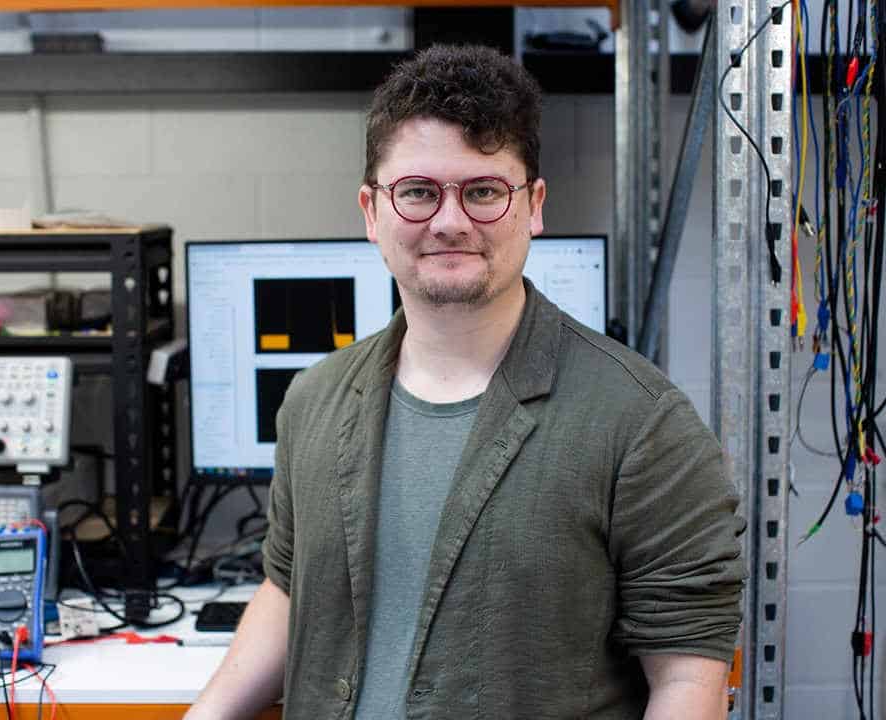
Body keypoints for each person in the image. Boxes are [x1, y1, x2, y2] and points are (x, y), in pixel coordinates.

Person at [185, 43, 745, 720]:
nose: (450, 222)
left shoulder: (642, 424)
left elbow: (688, 679)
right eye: (418, 192)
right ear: (372, 211)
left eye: (482, 191)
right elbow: (289, 587)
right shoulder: (314, 401)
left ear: (532, 205)